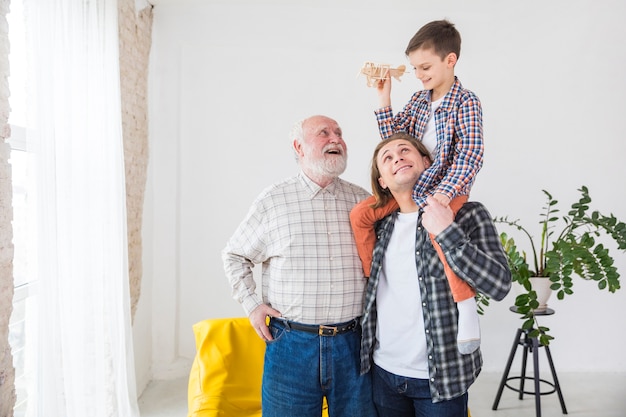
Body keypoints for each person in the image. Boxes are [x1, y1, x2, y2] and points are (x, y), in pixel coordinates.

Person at [222, 115, 377, 417]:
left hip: (354, 345)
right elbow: (234, 255)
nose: (336, 139)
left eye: (339, 133)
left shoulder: (363, 200)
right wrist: (252, 304)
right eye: (324, 133)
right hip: (291, 346)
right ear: (299, 146)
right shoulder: (273, 200)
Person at [350, 19, 483, 354]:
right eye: (415, 68)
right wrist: (384, 98)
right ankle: (375, 281)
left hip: (446, 188)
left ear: (450, 60)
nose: (420, 75)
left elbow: (470, 155)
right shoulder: (419, 102)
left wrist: (443, 194)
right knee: (360, 215)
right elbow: (393, 144)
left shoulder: (465, 102)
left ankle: (466, 306)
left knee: (438, 231)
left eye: (425, 67)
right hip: (412, 190)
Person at [359, 133, 511, 416]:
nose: (398, 158)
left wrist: (446, 232)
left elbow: (500, 285)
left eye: (405, 150)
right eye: (387, 158)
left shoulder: (468, 215)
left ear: (427, 162)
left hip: (441, 379)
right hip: (383, 375)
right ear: (382, 181)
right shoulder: (380, 227)